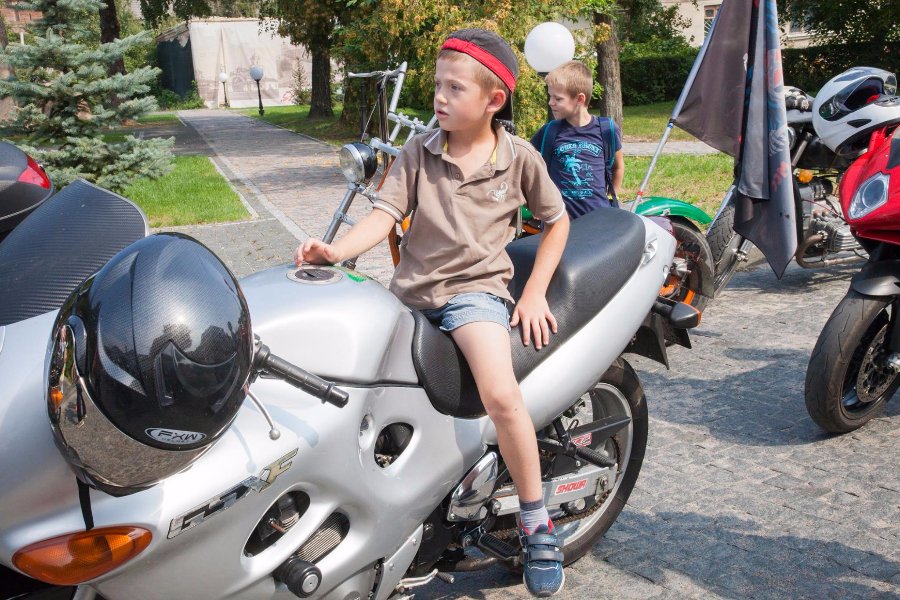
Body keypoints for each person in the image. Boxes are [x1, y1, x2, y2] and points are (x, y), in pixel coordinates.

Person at [294, 28, 570, 598]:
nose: (440, 97)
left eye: (454, 88)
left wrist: (535, 292)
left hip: (475, 294)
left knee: (502, 397)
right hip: (410, 294)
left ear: (494, 100)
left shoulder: (519, 157)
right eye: (438, 84)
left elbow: (557, 221)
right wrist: (336, 252)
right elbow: (384, 213)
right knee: (351, 387)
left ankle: (535, 520)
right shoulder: (420, 149)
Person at [530, 60, 625, 219]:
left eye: (558, 99)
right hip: (559, 221)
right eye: (550, 96)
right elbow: (528, 166)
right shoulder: (549, 131)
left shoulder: (607, 130)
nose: (550, 102)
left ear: (580, 99)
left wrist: (611, 197)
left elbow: (618, 167)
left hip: (598, 220)